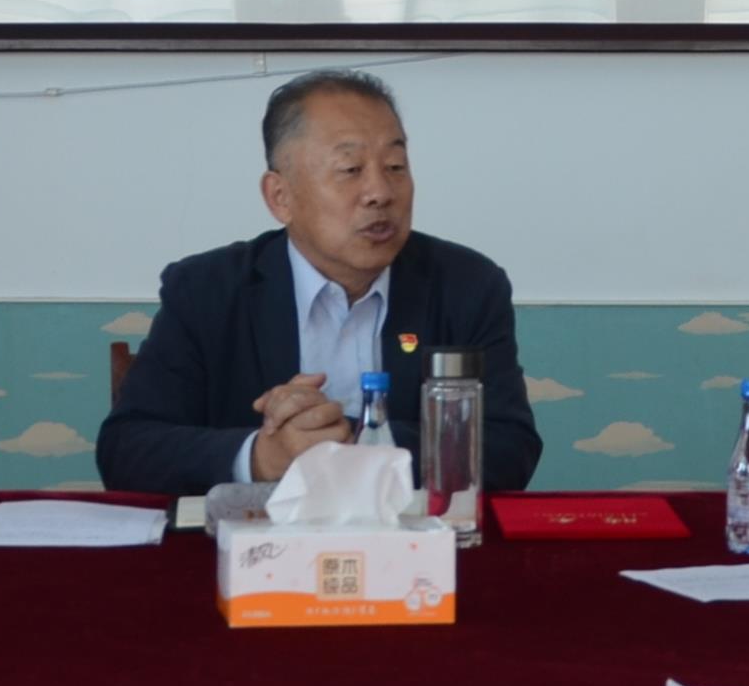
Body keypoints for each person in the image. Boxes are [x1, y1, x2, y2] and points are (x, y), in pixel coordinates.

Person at [96, 71, 537, 500]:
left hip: (412, 541)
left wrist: (355, 444)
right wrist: (261, 456)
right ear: (280, 197)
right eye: (350, 169)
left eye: (395, 167)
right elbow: (127, 450)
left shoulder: (468, 286)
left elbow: (510, 448)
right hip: (254, 543)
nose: (380, 192)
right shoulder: (206, 291)